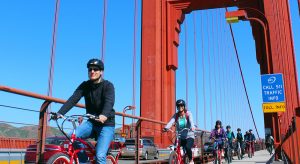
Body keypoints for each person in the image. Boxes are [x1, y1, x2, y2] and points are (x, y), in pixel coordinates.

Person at [55, 58, 115, 164]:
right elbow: (73, 99)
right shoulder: (85, 85)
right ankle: (84, 161)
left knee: (100, 156)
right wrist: (60, 113)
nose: (92, 71)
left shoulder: (108, 86)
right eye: (90, 69)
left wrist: (104, 115)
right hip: (91, 122)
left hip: (106, 124)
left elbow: (109, 102)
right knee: (72, 137)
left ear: (101, 72)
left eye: (95, 69)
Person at [163, 99, 195, 164]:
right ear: (177, 107)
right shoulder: (176, 115)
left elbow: (191, 121)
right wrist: (166, 128)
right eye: (178, 106)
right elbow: (171, 121)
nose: (180, 107)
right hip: (180, 136)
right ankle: (176, 157)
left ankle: (191, 160)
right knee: (175, 147)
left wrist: (192, 126)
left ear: (184, 106)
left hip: (189, 136)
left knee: (188, 147)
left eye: (181, 105)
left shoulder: (188, 113)